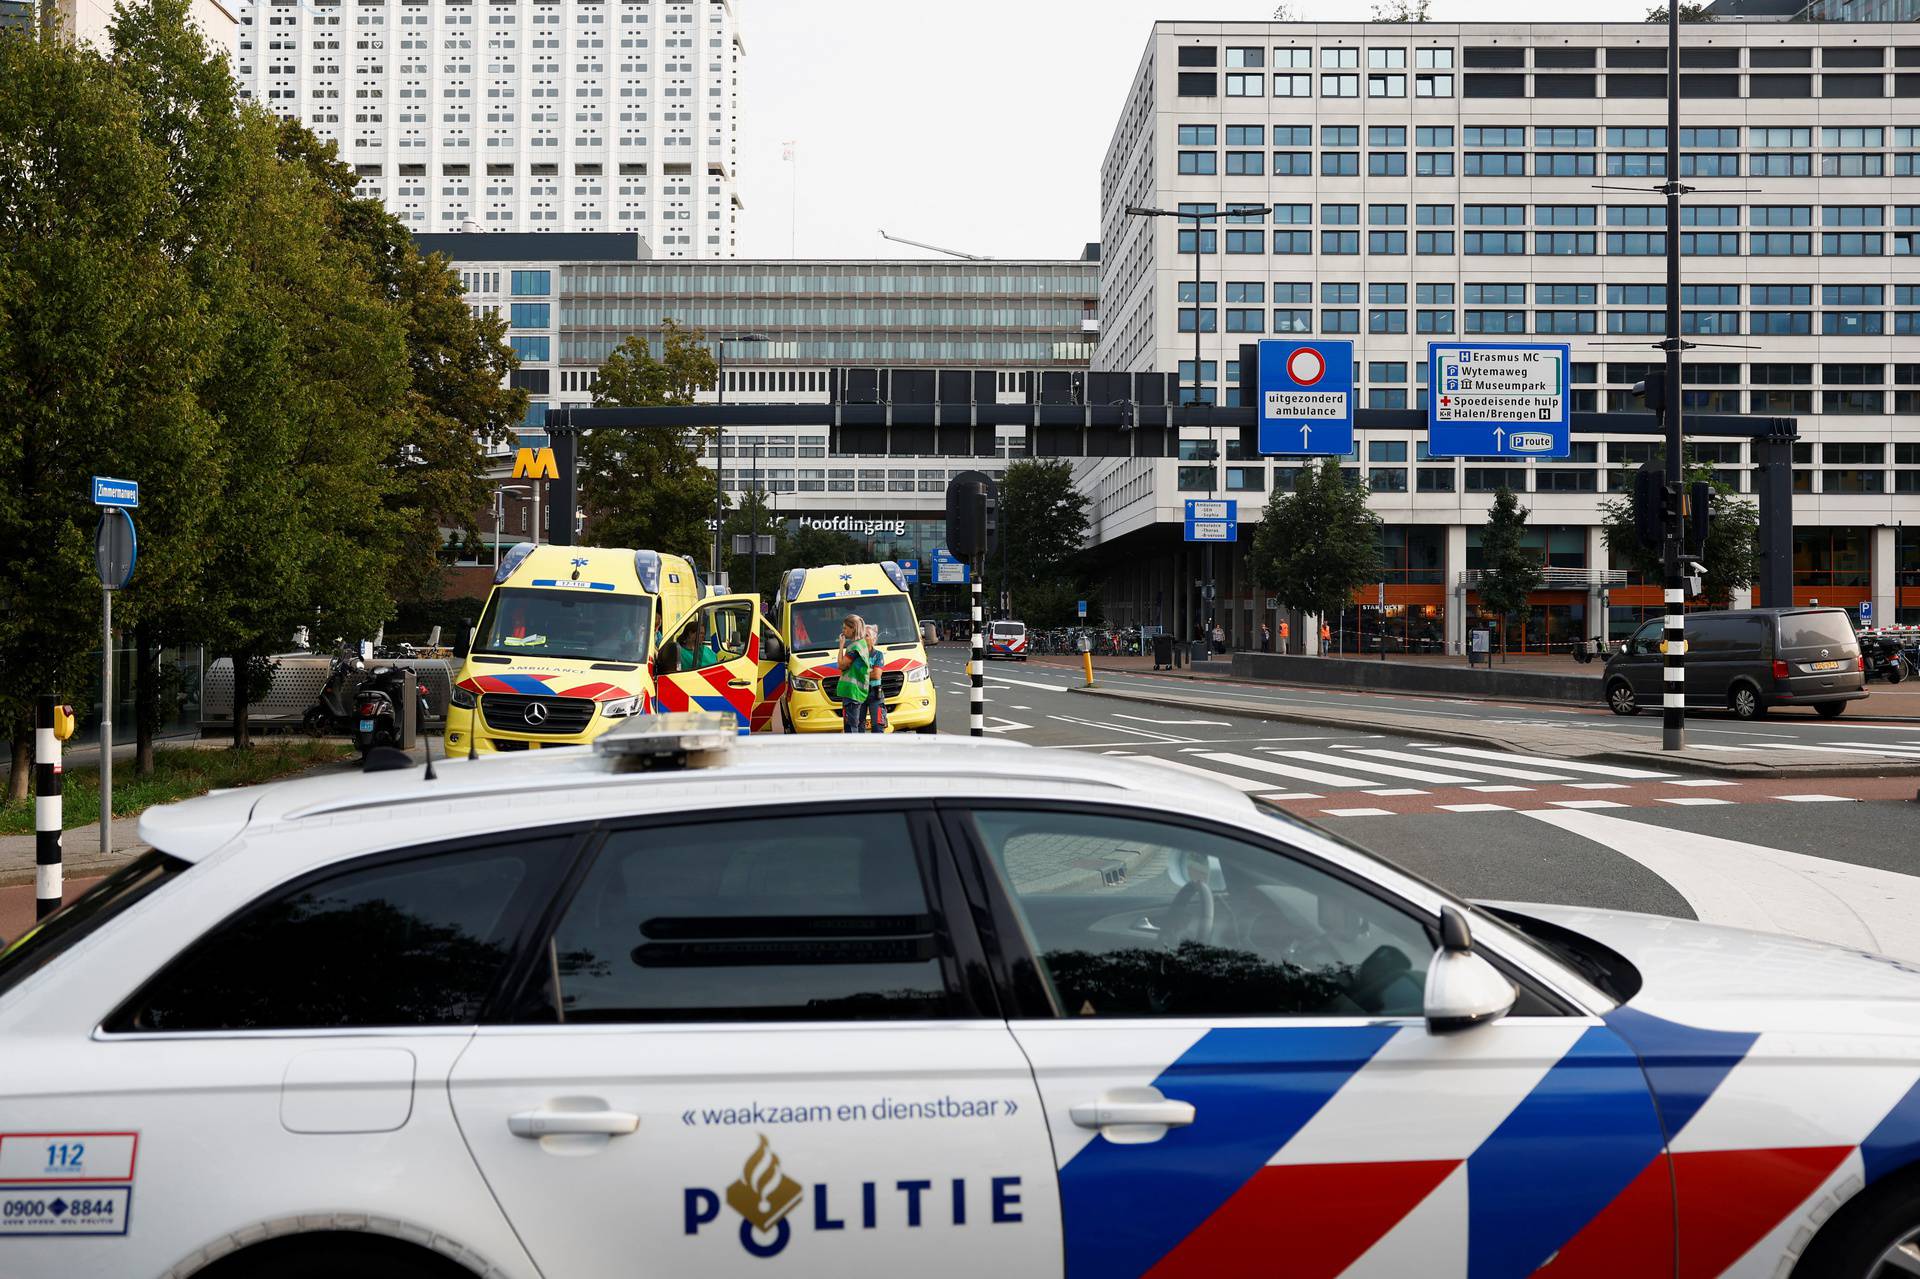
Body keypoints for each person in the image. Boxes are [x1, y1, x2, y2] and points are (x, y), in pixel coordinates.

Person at [835, 614, 871, 732]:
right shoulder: (862, 644)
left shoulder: (854, 647)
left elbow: (841, 665)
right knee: (859, 726)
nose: (843, 631)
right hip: (859, 692)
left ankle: (854, 749)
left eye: (845, 628)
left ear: (853, 629)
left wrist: (841, 645)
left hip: (852, 692)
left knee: (852, 728)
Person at [862, 622, 887, 733]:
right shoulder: (855, 655)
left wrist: (861, 674)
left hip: (875, 694)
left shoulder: (878, 655)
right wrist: (869, 672)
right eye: (862, 635)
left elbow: (876, 675)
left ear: (874, 639)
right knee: (857, 727)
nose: (863, 637)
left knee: (877, 726)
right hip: (859, 693)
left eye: (866, 635)